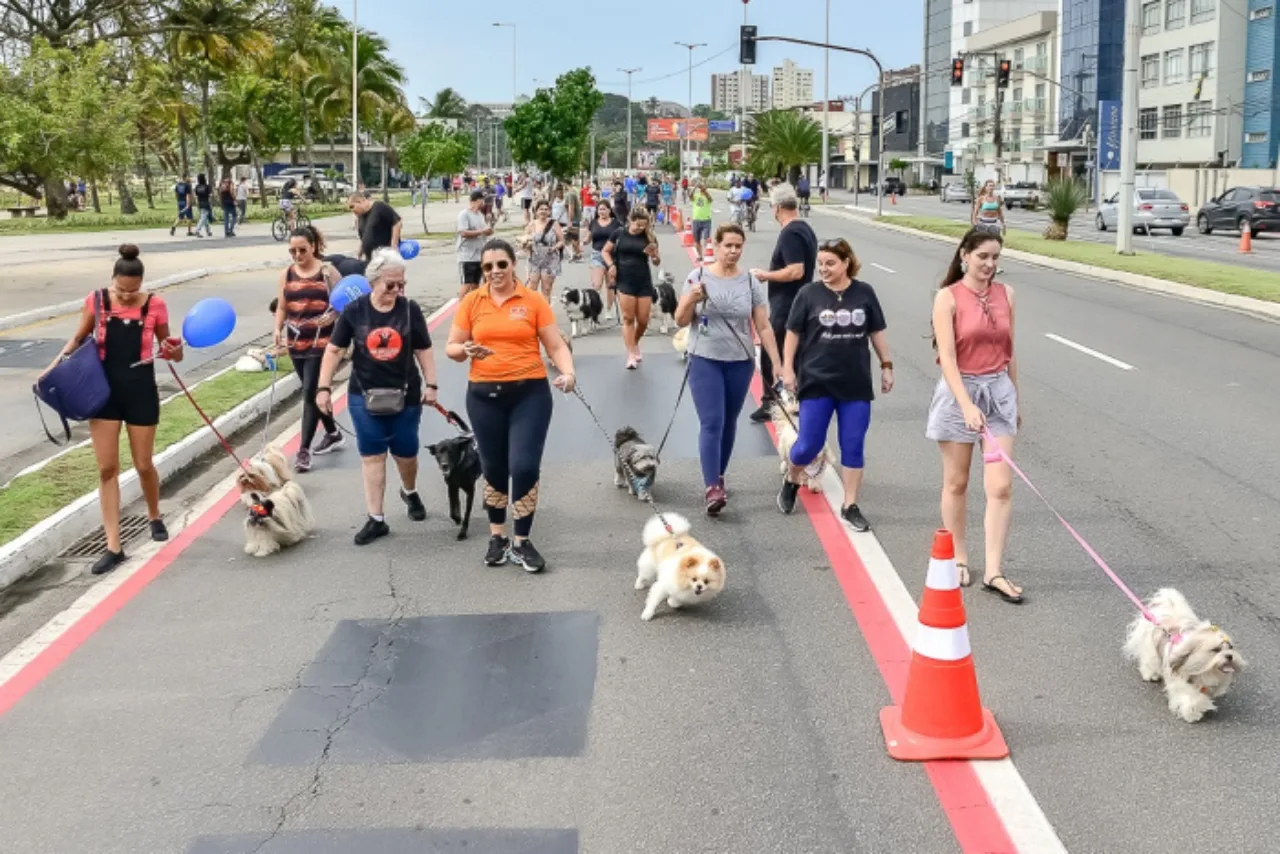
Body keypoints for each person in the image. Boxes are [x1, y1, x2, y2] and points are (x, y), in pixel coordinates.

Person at [40, 245, 182, 575]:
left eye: (133, 291)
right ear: (112, 281)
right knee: (107, 468)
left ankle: (154, 514)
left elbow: (170, 351)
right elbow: (77, 339)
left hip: (141, 390)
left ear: (142, 284)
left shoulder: (156, 304)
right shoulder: (97, 301)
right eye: (121, 290)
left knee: (144, 464)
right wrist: (51, 370)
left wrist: (174, 351)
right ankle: (113, 546)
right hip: (102, 393)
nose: (128, 296)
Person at [445, 239, 577, 573]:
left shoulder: (532, 300)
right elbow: (451, 347)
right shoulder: (472, 301)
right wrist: (466, 350)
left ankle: (522, 540)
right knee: (493, 467)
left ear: (512, 264)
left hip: (529, 393)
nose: (494, 272)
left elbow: (555, 344)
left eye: (501, 265)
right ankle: (497, 536)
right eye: (487, 267)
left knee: (524, 466)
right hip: (483, 396)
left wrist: (568, 372)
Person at [317, 248, 438, 545]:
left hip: (406, 395)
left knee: (406, 454)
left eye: (402, 284)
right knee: (372, 457)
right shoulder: (355, 311)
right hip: (363, 396)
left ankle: (409, 491)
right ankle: (376, 519)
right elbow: (334, 350)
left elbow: (423, 348)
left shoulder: (410, 310)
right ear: (374, 282)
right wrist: (323, 388)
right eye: (390, 285)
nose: (397, 291)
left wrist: (431, 384)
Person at [927, 229, 1023, 604]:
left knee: (1000, 486)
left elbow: (1011, 351)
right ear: (965, 255)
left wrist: (1015, 398)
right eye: (982, 256)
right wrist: (966, 404)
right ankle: (960, 557)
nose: (989, 264)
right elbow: (948, 358)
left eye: (996, 257)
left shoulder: (1007, 295)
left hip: (998, 392)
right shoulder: (947, 298)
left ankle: (995, 570)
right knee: (957, 482)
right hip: (959, 392)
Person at [777, 238, 893, 529]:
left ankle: (850, 504)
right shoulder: (808, 294)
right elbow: (792, 333)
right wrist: (787, 369)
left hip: (855, 383)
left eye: (830, 263)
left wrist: (886, 365)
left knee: (853, 445)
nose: (824, 269)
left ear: (846, 263)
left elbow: (876, 331)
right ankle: (792, 479)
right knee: (808, 445)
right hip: (816, 380)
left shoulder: (864, 292)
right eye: (821, 264)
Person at [674, 223, 784, 516]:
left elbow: (763, 326)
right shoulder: (697, 277)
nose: (733, 251)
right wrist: (690, 299)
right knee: (712, 421)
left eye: (738, 246)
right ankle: (712, 487)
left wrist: (778, 364)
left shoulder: (750, 282)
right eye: (728, 246)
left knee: (729, 422)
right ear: (716, 245)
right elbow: (681, 320)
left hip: (740, 360)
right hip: (704, 358)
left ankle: (719, 475)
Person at [274, 226, 345, 472]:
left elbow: (345, 302)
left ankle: (303, 450)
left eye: (302, 250)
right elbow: (282, 306)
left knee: (309, 393)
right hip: (296, 341)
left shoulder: (327, 272)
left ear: (313, 246)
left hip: (322, 342)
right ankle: (333, 431)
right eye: (292, 250)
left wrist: (334, 314)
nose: (297, 255)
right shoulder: (287, 273)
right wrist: (277, 329)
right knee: (313, 392)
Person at [749, 184, 818, 422]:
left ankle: (772, 401)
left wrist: (765, 275)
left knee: (772, 350)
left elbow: (795, 270)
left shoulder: (791, 232)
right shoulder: (805, 229)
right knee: (795, 351)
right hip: (798, 300)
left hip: (788, 302)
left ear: (776, 207)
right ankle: (794, 397)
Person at [602, 208, 661, 369]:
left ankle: (634, 342)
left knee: (643, 319)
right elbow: (605, 251)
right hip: (624, 279)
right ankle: (630, 354)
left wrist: (654, 255)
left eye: (643, 226)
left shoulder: (649, 237)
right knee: (628, 318)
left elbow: (657, 262)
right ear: (630, 220)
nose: (640, 229)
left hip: (643, 280)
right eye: (637, 225)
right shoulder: (619, 233)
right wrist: (611, 265)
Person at [524, 198, 565, 301]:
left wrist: (554, 247)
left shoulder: (554, 224)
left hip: (550, 259)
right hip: (534, 259)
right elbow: (524, 241)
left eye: (546, 209)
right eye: (541, 209)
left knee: (546, 289)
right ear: (536, 211)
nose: (543, 211)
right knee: (531, 287)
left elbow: (561, 241)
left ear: (549, 211)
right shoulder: (531, 224)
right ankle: (532, 312)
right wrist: (527, 245)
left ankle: (545, 314)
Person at [457, 189, 494, 299]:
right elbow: (463, 232)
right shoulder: (464, 215)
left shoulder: (480, 215)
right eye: (481, 201)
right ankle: (461, 308)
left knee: (476, 284)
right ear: (476, 201)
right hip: (467, 256)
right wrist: (482, 231)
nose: (483, 204)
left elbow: (483, 230)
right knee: (467, 283)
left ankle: (474, 308)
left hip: (479, 255)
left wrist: (488, 231)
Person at [587, 201, 620, 316]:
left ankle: (609, 309)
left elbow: (621, 237)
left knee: (610, 284)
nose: (602, 211)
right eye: (600, 209)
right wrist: (583, 241)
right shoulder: (594, 223)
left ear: (609, 210)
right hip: (597, 255)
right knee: (596, 284)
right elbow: (588, 237)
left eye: (604, 209)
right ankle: (595, 308)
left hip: (612, 256)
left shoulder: (616, 223)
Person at [348, 192, 402, 260]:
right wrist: (359, 255)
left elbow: (397, 223)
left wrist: (394, 245)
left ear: (360, 201)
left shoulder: (379, 207)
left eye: (352, 206)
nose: (352, 210)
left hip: (385, 256)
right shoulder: (361, 216)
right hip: (371, 259)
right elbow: (364, 238)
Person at [690, 182, 713, 251]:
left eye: (704, 187)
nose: (702, 188)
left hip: (706, 220)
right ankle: (700, 256)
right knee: (697, 240)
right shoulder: (696, 196)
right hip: (696, 220)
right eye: (702, 187)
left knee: (706, 239)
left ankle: (706, 254)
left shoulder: (708, 196)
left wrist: (704, 190)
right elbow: (690, 195)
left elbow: (710, 199)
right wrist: (695, 186)